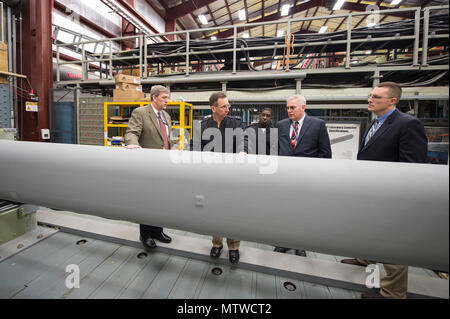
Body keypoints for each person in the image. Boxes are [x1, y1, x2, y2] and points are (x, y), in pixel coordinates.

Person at [340, 81, 428, 299]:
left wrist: (400, 197)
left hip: (393, 195)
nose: (370, 99)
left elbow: (413, 167)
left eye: (376, 97)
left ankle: (392, 292)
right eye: (370, 95)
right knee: (371, 228)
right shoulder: (376, 122)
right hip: (372, 191)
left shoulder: (408, 124)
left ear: (392, 101)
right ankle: (367, 258)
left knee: (393, 242)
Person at [274, 94, 332, 256]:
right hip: (285, 176)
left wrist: (318, 176)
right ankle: (284, 241)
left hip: (307, 178)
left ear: (303, 107)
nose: (289, 111)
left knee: (304, 211)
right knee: (285, 210)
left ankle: (301, 243)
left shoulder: (318, 125)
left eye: (292, 107)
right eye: (287, 107)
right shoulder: (281, 125)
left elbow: (325, 153)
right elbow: (275, 149)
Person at [194, 91, 247, 264]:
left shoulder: (235, 123)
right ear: (213, 108)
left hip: (231, 176)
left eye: (228, 105)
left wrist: (242, 150)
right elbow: (194, 147)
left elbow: (242, 139)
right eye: (224, 106)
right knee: (214, 210)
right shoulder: (202, 125)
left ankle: (233, 246)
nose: (227, 108)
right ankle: (217, 244)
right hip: (211, 176)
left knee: (233, 210)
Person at [124, 85, 173, 250]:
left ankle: (158, 230)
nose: (167, 100)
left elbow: (165, 139)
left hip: (164, 164)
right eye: (164, 98)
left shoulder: (166, 115)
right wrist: (132, 144)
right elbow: (132, 132)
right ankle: (145, 234)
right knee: (146, 200)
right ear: (154, 97)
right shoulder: (141, 113)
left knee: (161, 199)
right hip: (148, 165)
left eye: (167, 97)